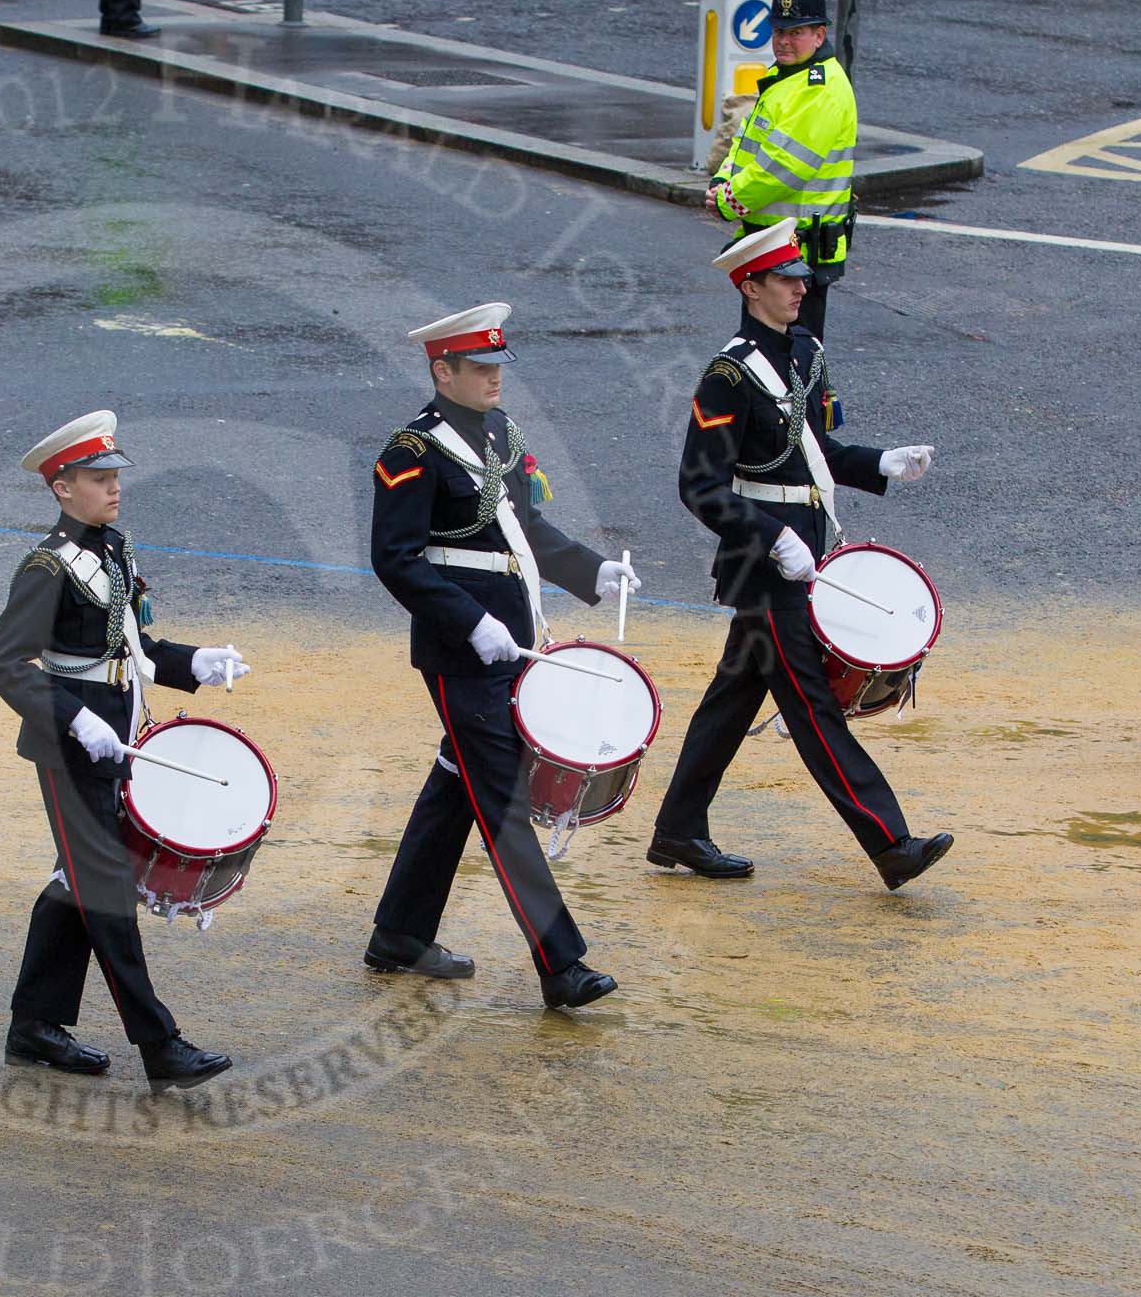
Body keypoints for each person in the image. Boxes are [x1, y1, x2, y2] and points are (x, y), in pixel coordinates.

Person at [646, 219, 952, 891]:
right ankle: (891, 842)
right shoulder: (728, 374)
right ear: (750, 286)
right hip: (764, 566)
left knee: (734, 695)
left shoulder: (804, 352)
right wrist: (772, 536)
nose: (800, 287)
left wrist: (880, 462)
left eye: (800, 277)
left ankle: (678, 827)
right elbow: (698, 484)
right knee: (812, 707)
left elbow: (815, 454)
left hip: (803, 556)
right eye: (784, 279)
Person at [365, 303, 631, 1009]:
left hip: (514, 640)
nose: (494, 379)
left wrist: (588, 570)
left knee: (460, 782)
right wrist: (467, 619)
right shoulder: (411, 451)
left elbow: (522, 525)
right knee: (503, 800)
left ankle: (398, 931)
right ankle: (561, 963)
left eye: (497, 366)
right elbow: (393, 559)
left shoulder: (498, 435)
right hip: (462, 652)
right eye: (479, 368)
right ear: (441, 370)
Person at [0, 410, 242, 1089]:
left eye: (114, 476)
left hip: (119, 737)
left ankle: (34, 1024)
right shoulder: (46, 567)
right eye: (98, 479)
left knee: (78, 880)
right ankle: (159, 1043)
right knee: (105, 888)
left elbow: (139, 650)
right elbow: (7, 663)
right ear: (63, 488)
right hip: (68, 748)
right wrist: (72, 717)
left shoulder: (115, 550)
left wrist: (198, 663)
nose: (113, 488)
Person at [703, 0, 855, 340]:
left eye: (795, 32)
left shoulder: (820, 89)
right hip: (773, 247)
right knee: (765, 357)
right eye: (778, 31)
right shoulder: (787, 79)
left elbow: (781, 167)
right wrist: (722, 180)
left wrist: (728, 200)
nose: (784, 41)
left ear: (819, 35)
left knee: (793, 363)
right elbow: (746, 143)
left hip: (798, 254)